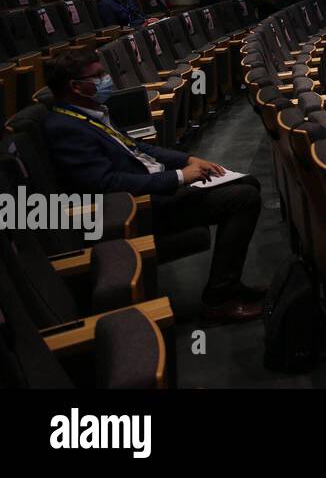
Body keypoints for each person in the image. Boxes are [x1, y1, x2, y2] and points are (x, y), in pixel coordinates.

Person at [41, 47, 265, 322]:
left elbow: (137, 148)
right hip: (140, 209)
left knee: (249, 183)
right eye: (97, 75)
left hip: (156, 186)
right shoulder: (64, 127)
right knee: (243, 198)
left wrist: (188, 158)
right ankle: (220, 298)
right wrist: (180, 176)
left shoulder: (90, 112)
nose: (106, 78)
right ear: (76, 86)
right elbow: (105, 184)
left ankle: (230, 286)